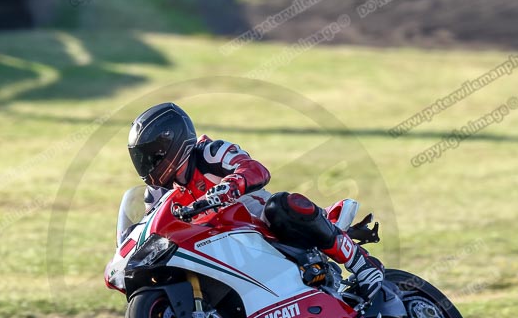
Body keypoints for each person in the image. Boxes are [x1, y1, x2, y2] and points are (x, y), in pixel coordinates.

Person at [127, 102, 384, 302]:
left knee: (281, 205)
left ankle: (363, 264)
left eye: (151, 156)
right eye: (141, 158)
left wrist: (229, 187)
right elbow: (150, 230)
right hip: (218, 246)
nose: (147, 165)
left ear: (171, 144)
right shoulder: (158, 193)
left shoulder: (209, 153)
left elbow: (256, 169)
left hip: (260, 223)